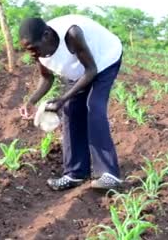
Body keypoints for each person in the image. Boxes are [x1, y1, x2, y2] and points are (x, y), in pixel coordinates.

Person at [18, 14, 124, 191]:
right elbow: (46, 78)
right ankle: (75, 173)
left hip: (104, 61)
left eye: (33, 49)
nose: (32, 54)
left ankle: (109, 173)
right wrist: (31, 101)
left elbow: (91, 70)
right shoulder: (37, 50)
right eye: (28, 50)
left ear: (46, 35)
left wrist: (63, 97)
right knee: (70, 111)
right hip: (78, 70)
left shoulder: (72, 33)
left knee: (93, 107)